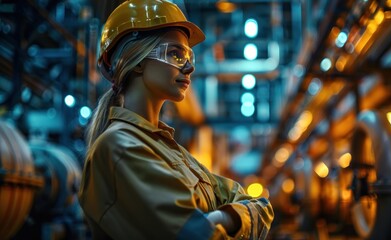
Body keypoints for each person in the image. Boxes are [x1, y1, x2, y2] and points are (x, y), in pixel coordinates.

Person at [78, 0, 274, 239]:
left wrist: (220, 218)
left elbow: (261, 206)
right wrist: (231, 219)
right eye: (175, 54)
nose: (190, 67)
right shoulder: (119, 148)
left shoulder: (173, 151)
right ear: (137, 60)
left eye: (188, 56)